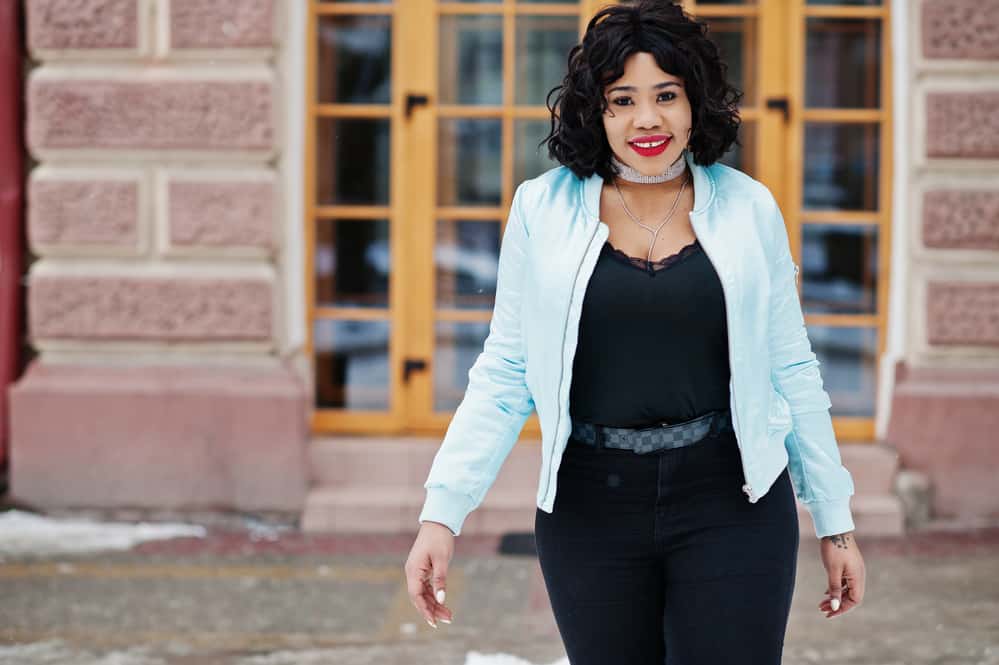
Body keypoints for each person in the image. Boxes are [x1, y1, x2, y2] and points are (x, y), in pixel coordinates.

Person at [404, 1, 866, 662]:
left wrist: (835, 522)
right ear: (595, 111)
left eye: (666, 95)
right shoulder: (541, 208)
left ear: (694, 103)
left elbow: (790, 367)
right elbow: (506, 371)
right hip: (588, 504)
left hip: (731, 498)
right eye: (622, 99)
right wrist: (441, 512)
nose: (646, 119)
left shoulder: (747, 207)